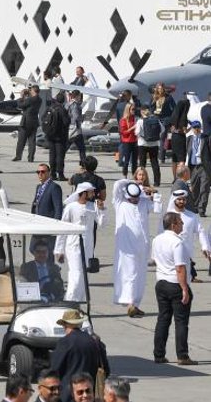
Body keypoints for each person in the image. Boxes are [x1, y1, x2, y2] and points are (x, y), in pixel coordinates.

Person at [152, 211, 195, 365]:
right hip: (175, 284)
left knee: (163, 319)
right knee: (181, 321)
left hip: (161, 283)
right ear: (173, 224)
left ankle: (158, 354)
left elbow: (155, 260)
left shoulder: (157, 239)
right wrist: (184, 289)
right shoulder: (177, 242)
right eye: (180, 222)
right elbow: (180, 268)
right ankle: (182, 355)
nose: (183, 224)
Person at [55, 183, 103, 302]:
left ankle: (79, 303)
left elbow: (103, 223)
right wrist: (59, 250)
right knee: (76, 275)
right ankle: (69, 302)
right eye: (91, 192)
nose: (93, 194)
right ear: (83, 193)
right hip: (73, 246)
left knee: (84, 278)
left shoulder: (93, 206)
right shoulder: (71, 207)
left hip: (88, 247)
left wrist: (102, 210)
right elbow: (63, 228)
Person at [49, 310, 109, 402]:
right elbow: (106, 370)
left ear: (65, 325)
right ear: (79, 324)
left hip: (68, 395)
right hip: (89, 394)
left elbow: (54, 370)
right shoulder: (95, 342)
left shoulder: (65, 342)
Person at [113, 179, 152, 317]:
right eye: (132, 198)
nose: (134, 200)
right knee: (131, 273)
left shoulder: (144, 203)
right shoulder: (120, 203)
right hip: (126, 247)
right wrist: (132, 181)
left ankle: (135, 304)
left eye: (136, 198)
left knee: (140, 276)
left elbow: (157, 208)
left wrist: (153, 193)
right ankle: (130, 304)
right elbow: (117, 185)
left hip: (142, 246)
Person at [20, 238, 66, 303]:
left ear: (48, 253)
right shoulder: (26, 267)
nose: (41, 255)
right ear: (34, 253)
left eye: (44, 252)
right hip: (33, 300)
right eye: (38, 252)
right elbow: (23, 285)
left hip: (51, 300)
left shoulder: (54, 268)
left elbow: (59, 286)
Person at [186, 121, 211, 215]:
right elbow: (187, 153)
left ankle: (202, 209)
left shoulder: (206, 138)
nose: (196, 129)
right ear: (192, 128)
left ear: (200, 128)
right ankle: (195, 207)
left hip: (204, 167)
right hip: (193, 167)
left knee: (204, 189)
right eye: (194, 128)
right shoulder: (189, 139)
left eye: (197, 127)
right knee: (195, 188)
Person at [46, 93, 71, 181]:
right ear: (63, 100)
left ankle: (52, 174)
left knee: (52, 155)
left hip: (50, 135)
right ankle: (60, 174)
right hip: (60, 136)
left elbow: (43, 119)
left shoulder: (50, 108)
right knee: (60, 156)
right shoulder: (62, 110)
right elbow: (66, 122)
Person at [13, 85, 41, 162]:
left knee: (21, 140)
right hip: (34, 121)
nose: (30, 91)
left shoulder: (30, 99)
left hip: (26, 122)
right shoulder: (39, 99)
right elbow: (28, 106)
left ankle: (18, 156)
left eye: (31, 90)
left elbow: (20, 105)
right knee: (32, 141)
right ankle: (31, 158)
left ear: (34, 91)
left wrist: (21, 97)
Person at [118, 103, 138, 178]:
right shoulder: (123, 120)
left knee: (135, 161)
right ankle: (125, 176)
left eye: (134, 109)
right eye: (132, 109)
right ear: (128, 110)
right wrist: (132, 128)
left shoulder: (135, 118)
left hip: (135, 141)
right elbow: (123, 132)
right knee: (126, 160)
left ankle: (134, 176)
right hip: (127, 142)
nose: (134, 111)